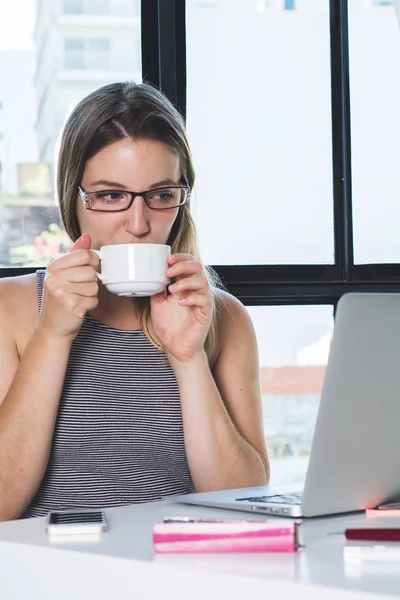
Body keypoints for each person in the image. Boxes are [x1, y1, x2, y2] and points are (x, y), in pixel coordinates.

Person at [0, 81, 269, 521]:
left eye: (161, 195)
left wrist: (188, 358)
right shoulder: (10, 308)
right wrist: (52, 335)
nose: (139, 224)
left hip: (181, 577)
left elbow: (246, 505)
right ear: (74, 198)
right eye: (111, 196)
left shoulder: (223, 319)